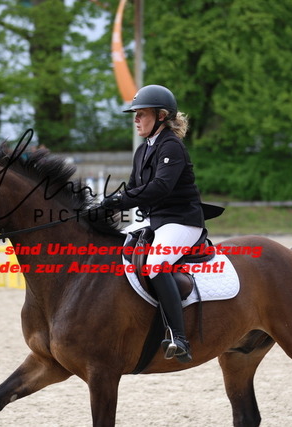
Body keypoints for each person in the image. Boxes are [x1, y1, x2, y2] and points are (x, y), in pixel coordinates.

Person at [102, 84, 204, 363]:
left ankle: (179, 337)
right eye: (135, 115)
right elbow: (134, 190)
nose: (136, 119)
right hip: (153, 220)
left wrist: (117, 200)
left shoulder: (171, 146)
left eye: (142, 114)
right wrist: (103, 207)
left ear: (161, 116)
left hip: (180, 221)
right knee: (113, 248)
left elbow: (160, 187)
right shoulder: (142, 150)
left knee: (156, 263)